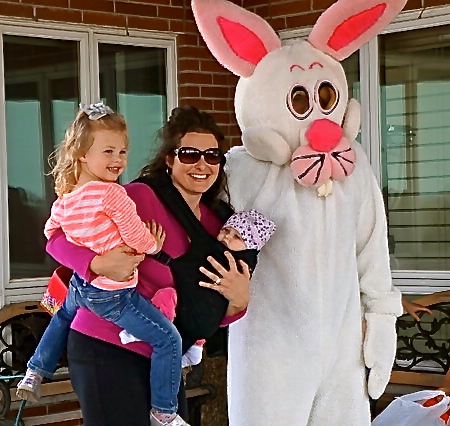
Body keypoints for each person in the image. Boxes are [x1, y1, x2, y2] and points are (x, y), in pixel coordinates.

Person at [42, 105, 252, 426]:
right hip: (106, 344)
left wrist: (238, 302)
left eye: (212, 156)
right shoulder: (138, 197)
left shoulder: (218, 225)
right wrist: (95, 262)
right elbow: (57, 237)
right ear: (169, 159)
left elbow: (206, 307)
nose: (202, 164)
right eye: (189, 154)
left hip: (164, 359)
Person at [17, 103, 191, 426]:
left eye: (122, 151)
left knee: (61, 316)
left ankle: (34, 371)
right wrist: (149, 246)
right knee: (169, 340)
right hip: (111, 296)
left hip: (80, 289)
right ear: (83, 153)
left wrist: (91, 262)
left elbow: (51, 234)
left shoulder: (65, 198)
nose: (118, 160)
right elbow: (139, 240)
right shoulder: (113, 195)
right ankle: (164, 414)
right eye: (108, 151)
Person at [120, 208, 276, 368]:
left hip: (194, 307)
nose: (227, 237)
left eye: (237, 236)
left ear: (249, 245)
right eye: (226, 230)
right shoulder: (243, 261)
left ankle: (144, 327)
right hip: (203, 318)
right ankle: (195, 347)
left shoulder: (234, 262)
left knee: (167, 296)